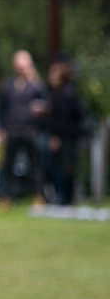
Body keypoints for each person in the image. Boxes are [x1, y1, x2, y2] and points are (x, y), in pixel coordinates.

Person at [0, 50, 47, 208]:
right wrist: (2, 129)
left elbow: (46, 104)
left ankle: (38, 195)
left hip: (30, 130)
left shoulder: (36, 85)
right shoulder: (8, 85)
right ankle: (7, 197)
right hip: (12, 130)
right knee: (8, 166)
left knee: (35, 166)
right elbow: (1, 108)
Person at [44, 56, 88, 205]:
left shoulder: (66, 93)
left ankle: (66, 199)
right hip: (65, 135)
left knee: (66, 168)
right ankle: (64, 198)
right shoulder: (57, 92)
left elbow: (65, 118)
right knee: (61, 167)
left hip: (67, 137)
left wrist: (57, 136)